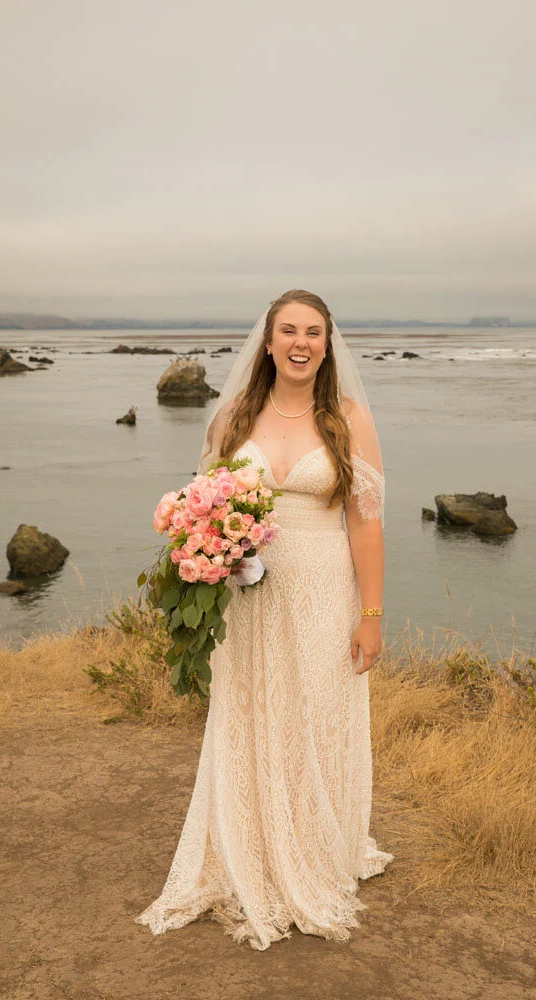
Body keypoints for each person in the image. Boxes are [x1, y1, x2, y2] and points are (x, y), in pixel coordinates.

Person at [135, 288, 395, 951]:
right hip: (248, 596)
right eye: (289, 330)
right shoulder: (233, 416)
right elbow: (203, 506)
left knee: (316, 713)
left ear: (327, 345)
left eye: (313, 332)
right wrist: (206, 558)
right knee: (250, 712)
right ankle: (245, 849)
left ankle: (312, 848)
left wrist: (371, 614)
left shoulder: (349, 418)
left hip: (322, 587)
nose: (301, 342)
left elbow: (366, 525)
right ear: (269, 341)